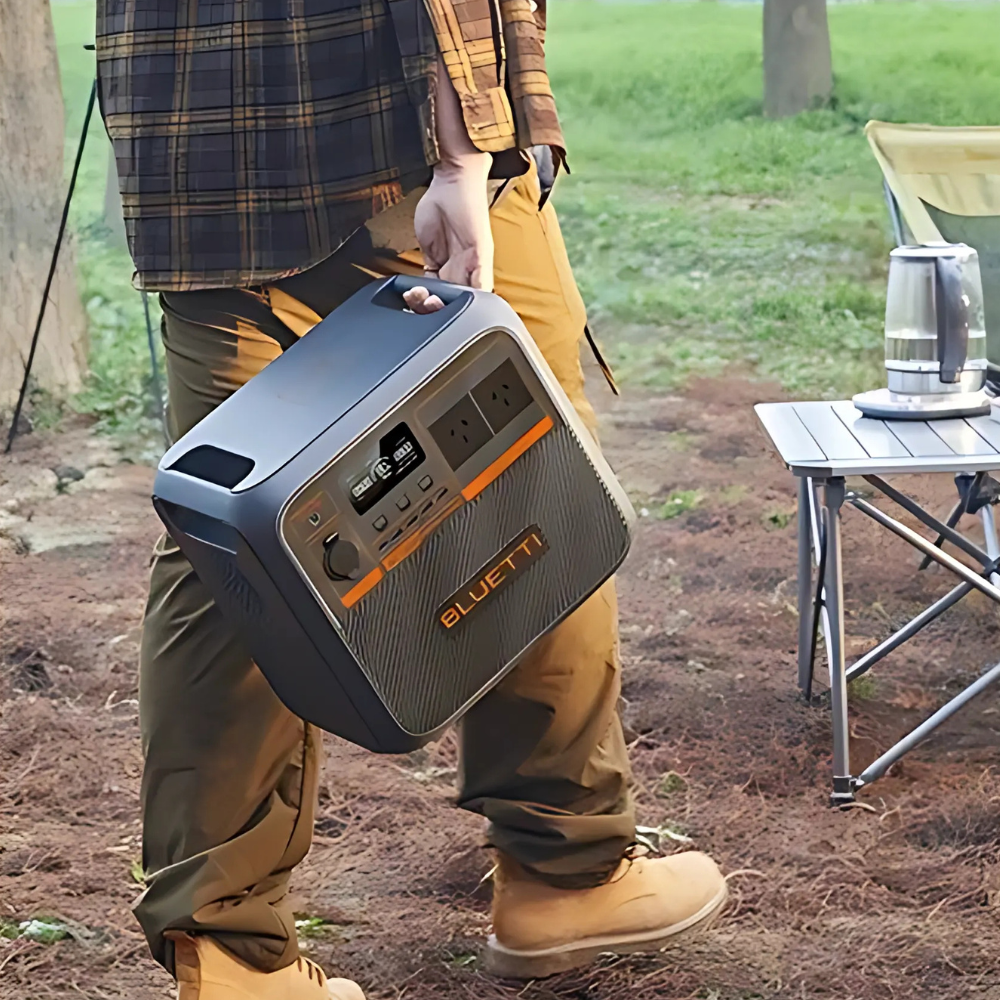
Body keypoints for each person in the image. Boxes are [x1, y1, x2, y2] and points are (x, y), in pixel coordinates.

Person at [96, 1, 727, 997]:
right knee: (523, 462)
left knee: (240, 538)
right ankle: (565, 868)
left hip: (195, 149)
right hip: (379, 143)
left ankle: (223, 952)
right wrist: (462, 159)